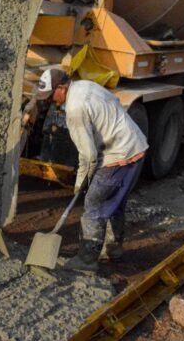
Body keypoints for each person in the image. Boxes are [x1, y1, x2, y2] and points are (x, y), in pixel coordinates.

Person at [35, 69, 148, 272]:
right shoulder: (85, 85)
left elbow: (88, 156)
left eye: (52, 96)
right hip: (136, 146)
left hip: (118, 154)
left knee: (93, 204)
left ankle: (87, 259)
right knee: (114, 202)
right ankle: (112, 250)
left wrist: (80, 183)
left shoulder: (75, 109)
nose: (51, 102)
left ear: (61, 88)